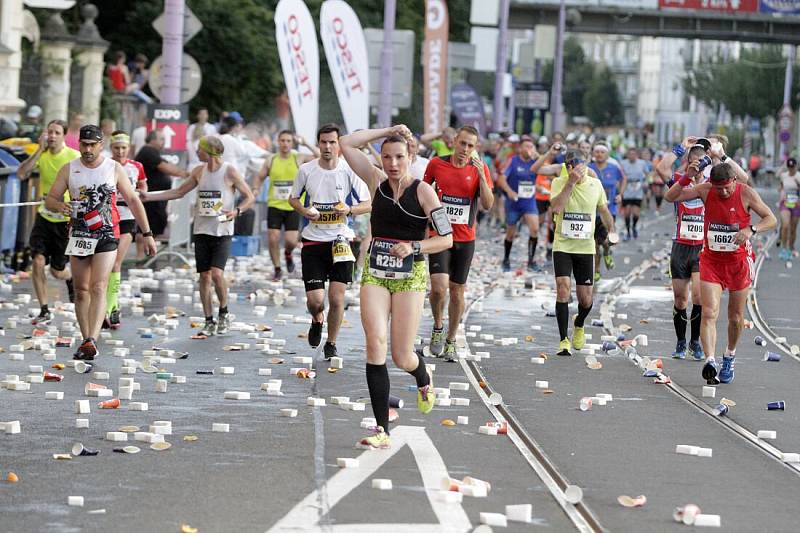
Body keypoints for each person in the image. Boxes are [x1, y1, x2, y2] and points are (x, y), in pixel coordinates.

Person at [340, 125, 453, 449]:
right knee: (375, 343)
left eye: (399, 157)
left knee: (402, 356)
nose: (392, 163)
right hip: (376, 273)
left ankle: (423, 377)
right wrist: (388, 130)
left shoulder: (423, 192)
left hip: (411, 276)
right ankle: (381, 429)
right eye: (386, 157)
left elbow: (446, 239)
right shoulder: (375, 181)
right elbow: (348, 143)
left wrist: (414, 247)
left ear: (410, 157)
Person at [45, 125, 157, 360]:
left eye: (91, 145)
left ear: (100, 145)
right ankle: (86, 338)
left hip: (107, 234)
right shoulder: (70, 169)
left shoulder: (113, 168)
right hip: (79, 235)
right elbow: (51, 199)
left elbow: (134, 201)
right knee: (81, 290)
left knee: (98, 286)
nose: (87, 149)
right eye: (83, 145)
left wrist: (147, 234)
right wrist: (60, 206)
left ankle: (92, 339)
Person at [668, 162, 776, 384]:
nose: (723, 192)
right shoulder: (706, 190)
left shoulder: (746, 193)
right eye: (719, 188)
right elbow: (672, 197)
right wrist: (686, 177)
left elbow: (771, 219)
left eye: (726, 187)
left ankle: (729, 355)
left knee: (735, 317)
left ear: (734, 181)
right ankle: (710, 361)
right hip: (712, 262)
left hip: (738, 263)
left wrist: (751, 229)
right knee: (709, 312)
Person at [141, 136, 254, 337]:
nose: (196, 153)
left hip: (222, 230)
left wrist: (236, 211)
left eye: (199, 149)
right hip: (201, 230)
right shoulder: (199, 171)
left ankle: (224, 311)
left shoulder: (229, 171)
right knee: (204, 276)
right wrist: (148, 196)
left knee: (217, 274)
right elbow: (178, 192)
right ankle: (208, 319)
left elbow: (249, 197)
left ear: (208, 151)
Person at [289, 124, 371, 359]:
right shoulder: (306, 170)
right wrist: (304, 211)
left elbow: (368, 203)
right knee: (316, 301)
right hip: (313, 242)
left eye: (332, 142)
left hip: (340, 240)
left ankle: (332, 343)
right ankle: (317, 319)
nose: (327, 147)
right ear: (318, 144)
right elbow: (293, 198)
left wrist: (350, 209)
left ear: (339, 144)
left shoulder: (349, 171)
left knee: (336, 298)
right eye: (323, 142)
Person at [424, 126, 494, 361]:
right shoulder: (436, 164)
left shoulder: (479, 168)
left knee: (456, 291)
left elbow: (488, 204)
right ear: (454, 141)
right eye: (462, 143)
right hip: (440, 235)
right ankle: (437, 326)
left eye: (470, 146)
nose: (465, 149)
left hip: (465, 238)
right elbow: (422, 193)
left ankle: (451, 340)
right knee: (438, 287)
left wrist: (482, 177)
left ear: (475, 148)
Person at [549, 149, 617, 356]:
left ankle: (578, 323)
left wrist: (612, 232)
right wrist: (569, 183)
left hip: (585, 248)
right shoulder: (559, 183)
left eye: (580, 167)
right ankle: (563, 340)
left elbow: (604, 211)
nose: (577, 171)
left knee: (586, 300)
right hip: (563, 245)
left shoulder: (595, 185)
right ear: (567, 168)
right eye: (572, 168)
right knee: (563, 288)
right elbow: (556, 209)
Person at [17, 119, 79, 323]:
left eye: (56, 133)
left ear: (63, 136)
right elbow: (21, 173)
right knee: (37, 261)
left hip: (64, 220)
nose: (51, 136)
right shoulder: (41, 154)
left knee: (57, 271)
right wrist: (37, 151)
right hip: (44, 217)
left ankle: (69, 278)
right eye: (49, 132)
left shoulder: (73, 156)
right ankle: (44, 309)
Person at [660, 137, 711, 360]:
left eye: (702, 161)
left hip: (701, 248)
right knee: (681, 299)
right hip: (680, 246)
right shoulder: (680, 181)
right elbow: (661, 167)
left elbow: (739, 177)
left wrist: (716, 154)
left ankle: (695, 343)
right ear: (688, 162)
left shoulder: (712, 183)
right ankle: (681, 342)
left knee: (699, 297)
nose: (698, 165)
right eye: (694, 161)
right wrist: (680, 147)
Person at [252, 130, 319, 281]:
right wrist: (255, 188)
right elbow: (259, 176)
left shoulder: (298, 157)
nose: (285, 144)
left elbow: (320, 157)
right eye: (282, 140)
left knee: (291, 241)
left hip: (293, 206)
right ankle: (277, 268)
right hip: (275, 205)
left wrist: (306, 143)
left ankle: (288, 254)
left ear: (292, 143)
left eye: (288, 141)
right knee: (273, 238)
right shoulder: (271, 160)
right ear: (278, 142)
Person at [104, 131, 147, 329]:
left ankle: (113, 307)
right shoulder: (105, 164)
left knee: (115, 264)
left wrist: (139, 193)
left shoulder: (136, 166)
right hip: (107, 218)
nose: (120, 151)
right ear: (111, 148)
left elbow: (143, 189)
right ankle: (102, 305)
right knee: (103, 266)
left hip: (127, 219)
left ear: (129, 148)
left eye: (123, 148)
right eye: (116, 148)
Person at [135, 129, 189, 239]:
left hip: (155, 198)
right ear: (153, 140)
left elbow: (168, 165)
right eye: (162, 139)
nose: (164, 142)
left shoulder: (153, 152)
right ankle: (141, 256)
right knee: (146, 229)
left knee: (154, 227)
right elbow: (166, 168)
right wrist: (185, 174)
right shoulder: (148, 151)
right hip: (150, 197)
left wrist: (184, 173)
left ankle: (148, 254)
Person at [497, 135, 540, 272]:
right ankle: (506, 259)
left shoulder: (535, 162)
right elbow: (501, 179)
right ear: (520, 148)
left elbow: (550, 170)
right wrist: (509, 191)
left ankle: (531, 261)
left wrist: (539, 157)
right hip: (514, 202)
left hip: (529, 201)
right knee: (510, 233)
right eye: (526, 146)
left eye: (531, 146)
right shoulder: (513, 161)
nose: (529, 149)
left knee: (534, 230)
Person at [589, 142, 626, 280]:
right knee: (594, 243)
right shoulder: (589, 168)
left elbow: (624, 179)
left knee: (606, 240)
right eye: (597, 152)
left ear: (607, 154)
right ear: (593, 154)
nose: (599, 154)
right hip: (593, 211)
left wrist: (620, 194)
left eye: (602, 152)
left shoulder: (614, 168)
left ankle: (607, 252)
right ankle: (597, 270)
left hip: (609, 210)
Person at [620, 146, 648, 240]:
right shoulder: (623, 163)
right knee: (627, 212)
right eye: (630, 154)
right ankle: (628, 231)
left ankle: (634, 227)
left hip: (638, 189)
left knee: (636, 213)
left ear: (637, 155)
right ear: (627, 155)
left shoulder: (642, 163)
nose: (632, 156)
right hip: (627, 188)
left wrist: (646, 183)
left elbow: (647, 174)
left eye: (633, 154)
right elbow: (620, 176)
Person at [777, 158, 800, 260]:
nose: (791, 170)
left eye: (793, 167)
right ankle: (784, 248)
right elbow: (781, 186)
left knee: (793, 228)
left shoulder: (799, 176)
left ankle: (791, 247)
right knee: (785, 225)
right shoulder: (784, 175)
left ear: (796, 166)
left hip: (796, 204)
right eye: (789, 167)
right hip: (785, 203)